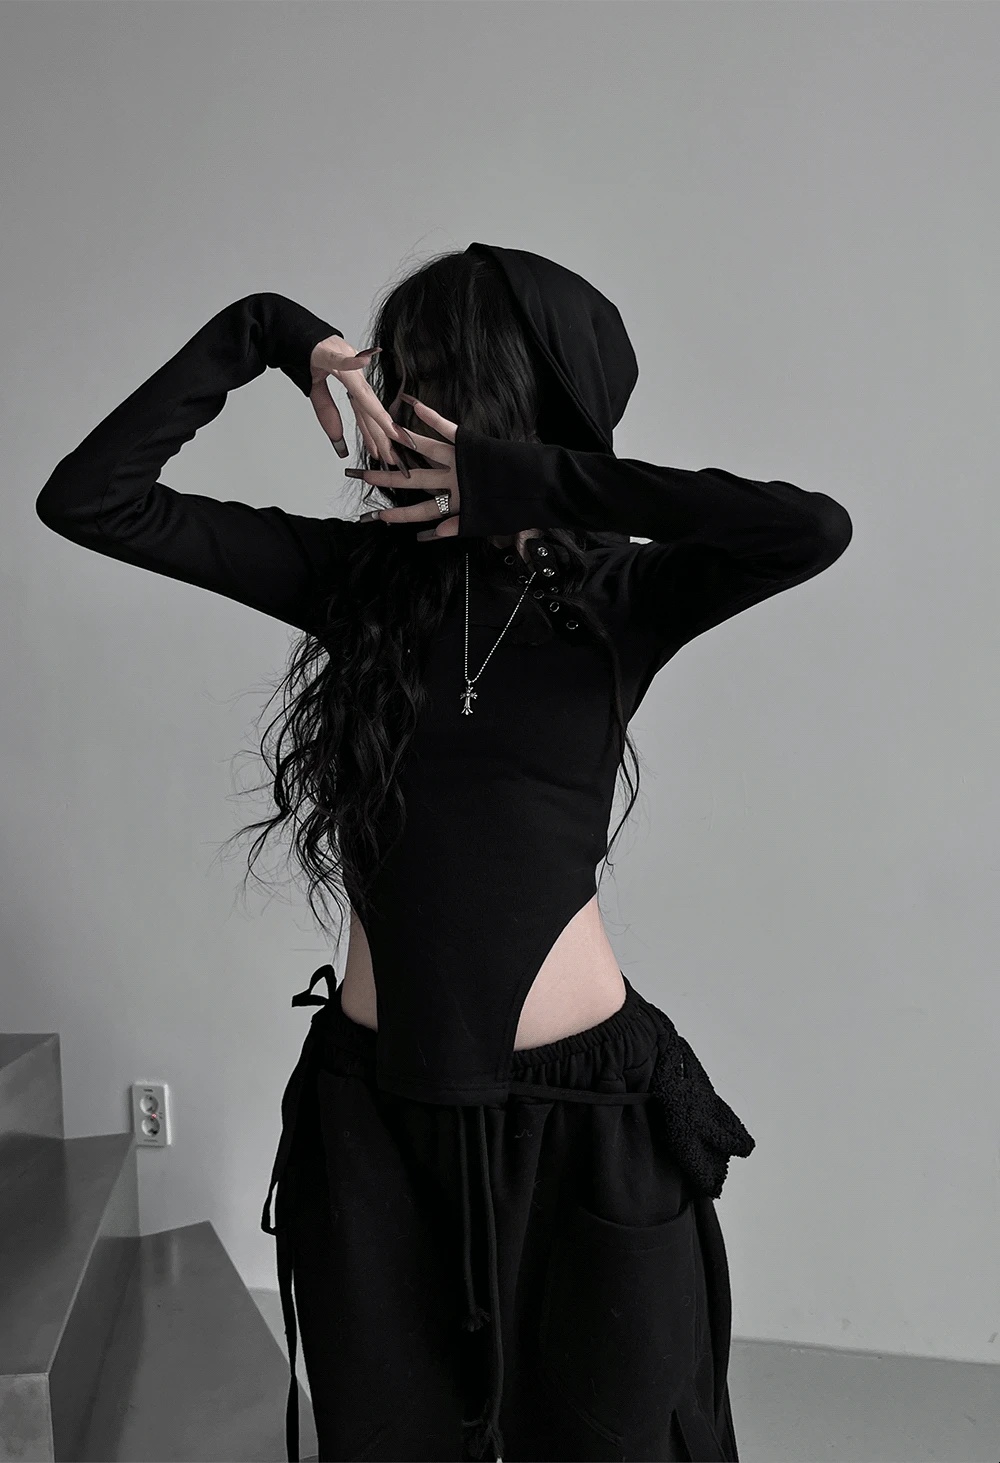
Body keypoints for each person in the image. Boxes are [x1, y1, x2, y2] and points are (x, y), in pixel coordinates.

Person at [35, 244, 853, 1463]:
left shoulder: (620, 598)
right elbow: (90, 497)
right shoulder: (354, 580)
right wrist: (272, 334)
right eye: (386, 369)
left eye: (420, 367)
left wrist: (530, 486)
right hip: (375, 1120)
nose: (391, 395)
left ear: (499, 397)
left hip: (587, 1126)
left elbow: (810, 527)